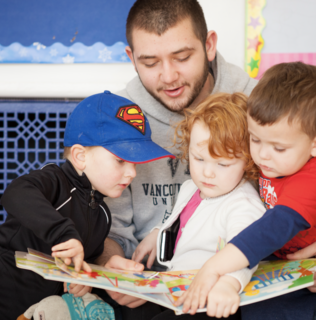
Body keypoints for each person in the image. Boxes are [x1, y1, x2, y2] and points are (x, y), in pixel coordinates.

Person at [101, 0, 257, 280]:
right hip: (146, 279)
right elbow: (108, 231)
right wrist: (114, 267)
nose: (169, 77)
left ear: (209, 45)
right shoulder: (117, 119)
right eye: (150, 62)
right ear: (132, 57)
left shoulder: (258, 108)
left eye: (182, 58)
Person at [0, 90, 175, 320]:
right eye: (121, 160)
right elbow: (16, 193)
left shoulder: (102, 215)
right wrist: (63, 234)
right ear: (80, 156)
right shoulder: (55, 181)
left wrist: (86, 276)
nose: (132, 173)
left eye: (134, 163)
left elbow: (85, 259)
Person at [176, 62, 316, 320]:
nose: (262, 155)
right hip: (282, 263)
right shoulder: (275, 159)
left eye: (279, 148)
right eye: (255, 139)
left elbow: (270, 229)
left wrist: (213, 268)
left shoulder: (309, 180)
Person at [142, 92, 265, 320]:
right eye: (199, 159)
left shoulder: (243, 205)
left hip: (211, 300)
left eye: (222, 163)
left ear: (248, 160)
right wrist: (157, 233)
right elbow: (180, 220)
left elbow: (247, 252)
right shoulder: (191, 187)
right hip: (179, 287)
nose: (207, 172)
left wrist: (229, 284)